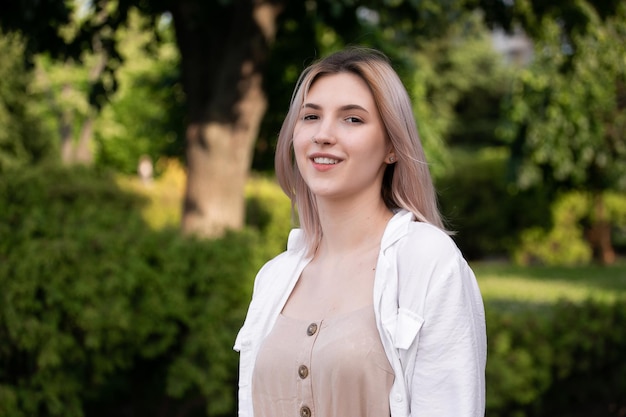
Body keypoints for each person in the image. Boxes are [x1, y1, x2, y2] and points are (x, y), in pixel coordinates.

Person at [234, 47, 486, 417]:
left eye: (352, 119)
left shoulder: (429, 262)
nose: (323, 134)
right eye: (311, 116)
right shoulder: (273, 278)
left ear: (391, 147)